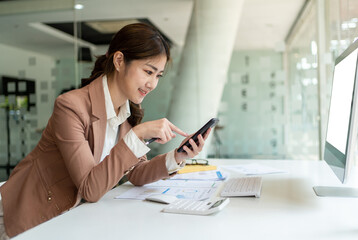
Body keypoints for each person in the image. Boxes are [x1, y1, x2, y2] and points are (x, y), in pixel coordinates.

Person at [0, 23, 211, 238]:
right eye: (148, 71)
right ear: (119, 61)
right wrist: (136, 136)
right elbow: (90, 189)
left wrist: (177, 156)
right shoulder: (71, 106)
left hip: (68, 219)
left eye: (158, 76)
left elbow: (135, 173)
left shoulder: (127, 112)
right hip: (24, 217)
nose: (152, 84)